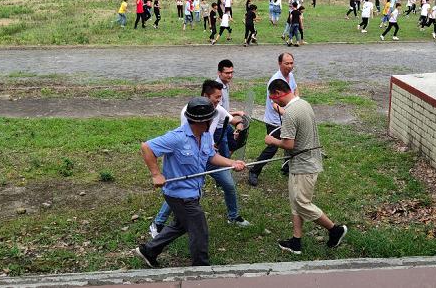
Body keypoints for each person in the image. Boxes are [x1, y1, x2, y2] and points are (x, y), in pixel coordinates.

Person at [134, 96, 247, 268]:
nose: (212, 121)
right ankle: (200, 269)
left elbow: (211, 155)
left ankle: (148, 250)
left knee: (180, 225)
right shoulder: (177, 137)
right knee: (199, 230)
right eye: (210, 118)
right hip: (179, 195)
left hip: (193, 192)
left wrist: (232, 163)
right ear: (202, 121)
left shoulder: (206, 136)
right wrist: (156, 174)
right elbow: (147, 147)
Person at [149, 80, 250, 237]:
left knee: (228, 184)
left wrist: (239, 127)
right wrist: (156, 174)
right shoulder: (188, 114)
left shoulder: (218, 110)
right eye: (216, 97)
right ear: (205, 96)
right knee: (178, 191)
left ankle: (233, 216)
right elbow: (185, 141)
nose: (219, 101)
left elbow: (232, 120)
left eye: (221, 97)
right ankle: (158, 223)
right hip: (190, 159)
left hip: (208, 156)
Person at [263, 79, 347, 255]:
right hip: (308, 162)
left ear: (278, 93)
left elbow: (288, 144)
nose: (273, 102)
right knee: (296, 202)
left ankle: (335, 230)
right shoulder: (303, 104)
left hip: (304, 165)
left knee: (302, 203)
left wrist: (272, 140)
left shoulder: (290, 114)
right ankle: (296, 241)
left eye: (273, 98)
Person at [248, 52, 299, 186]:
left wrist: (297, 102)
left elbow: (295, 90)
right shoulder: (275, 80)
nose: (290, 66)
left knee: (291, 142)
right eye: (286, 63)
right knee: (273, 147)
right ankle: (254, 171)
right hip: (274, 120)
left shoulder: (291, 76)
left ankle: (287, 166)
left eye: (291, 63)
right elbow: (274, 103)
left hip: (288, 117)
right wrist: (289, 113)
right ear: (279, 64)